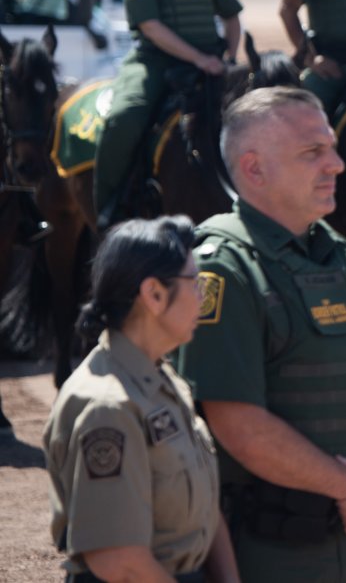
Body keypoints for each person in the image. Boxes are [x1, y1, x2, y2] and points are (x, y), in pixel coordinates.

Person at [174, 87, 346, 583]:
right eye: (313, 152)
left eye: (330, 146)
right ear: (254, 168)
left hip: (341, 547)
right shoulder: (224, 268)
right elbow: (237, 423)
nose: (337, 164)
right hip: (254, 552)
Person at [43, 216, 238, 582]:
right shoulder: (109, 407)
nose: (203, 297)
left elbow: (207, 511)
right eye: (195, 283)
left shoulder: (164, 380)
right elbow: (118, 561)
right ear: (154, 295)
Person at [94, 0, 242, 230]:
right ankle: (108, 208)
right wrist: (200, 59)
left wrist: (230, 57)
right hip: (155, 63)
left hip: (210, 62)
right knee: (125, 117)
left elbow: (232, 16)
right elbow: (152, 28)